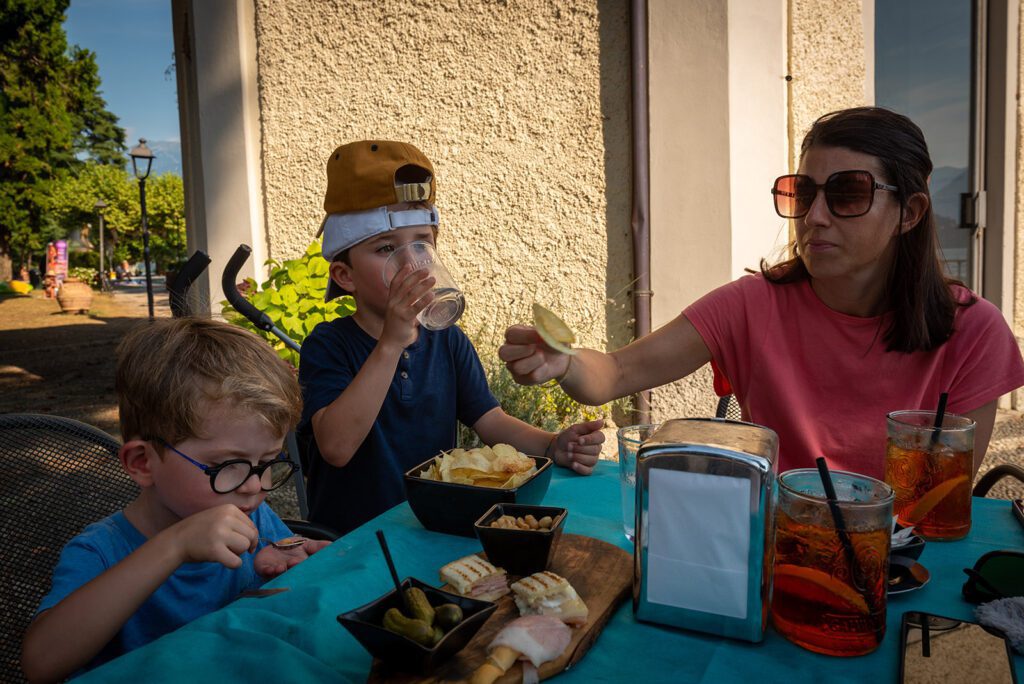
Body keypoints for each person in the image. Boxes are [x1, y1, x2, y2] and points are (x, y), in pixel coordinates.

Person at [499, 107, 1024, 480]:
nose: (815, 216)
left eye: (848, 194)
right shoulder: (753, 304)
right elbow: (616, 373)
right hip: (770, 551)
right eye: (804, 193)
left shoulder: (973, 332)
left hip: (895, 564)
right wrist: (562, 360)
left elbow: (943, 503)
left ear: (909, 213)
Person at [298, 140, 606, 535]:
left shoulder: (447, 341)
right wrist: (391, 343)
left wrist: (551, 445)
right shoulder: (328, 344)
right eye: (386, 249)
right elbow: (336, 449)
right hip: (349, 541)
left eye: (423, 244)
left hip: (430, 528)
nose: (412, 264)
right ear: (345, 275)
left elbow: (490, 419)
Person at [21, 318, 330, 681]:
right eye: (227, 465)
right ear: (143, 463)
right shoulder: (100, 552)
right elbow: (40, 663)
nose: (254, 486)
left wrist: (288, 571)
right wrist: (175, 546)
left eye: (267, 463)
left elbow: (264, 616)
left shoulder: (254, 515)